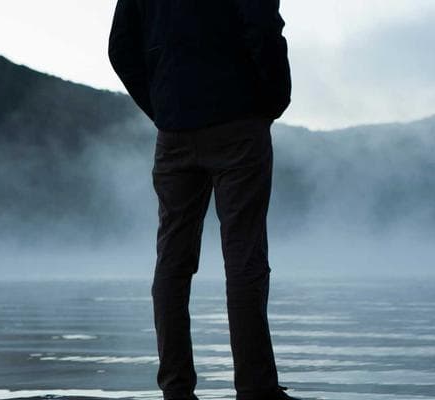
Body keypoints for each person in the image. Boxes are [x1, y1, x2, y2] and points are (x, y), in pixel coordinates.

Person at [108, 1, 296, 400]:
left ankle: (176, 389)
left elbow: (120, 47)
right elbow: (263, 26)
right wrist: (274, 100)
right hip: (239, 121)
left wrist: (163, 106)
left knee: (172, 263)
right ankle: (256, 389)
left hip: (175, 128)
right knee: (244, 258)